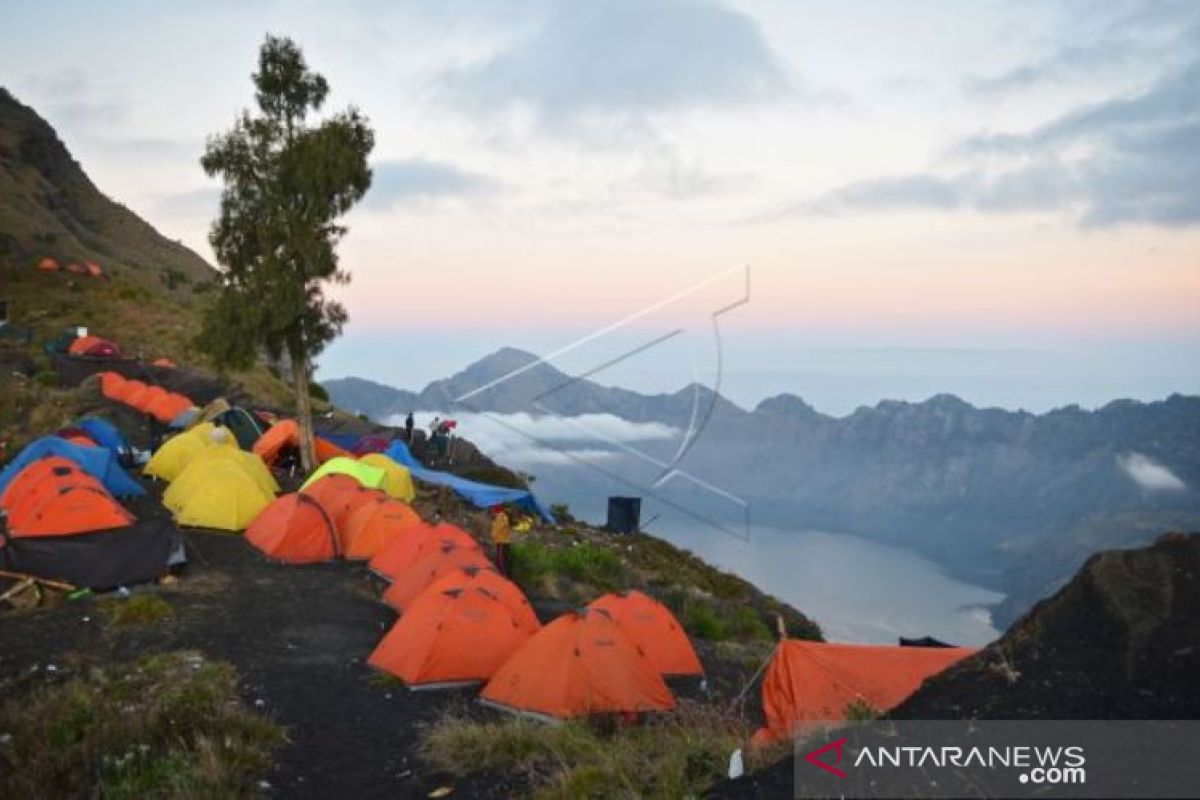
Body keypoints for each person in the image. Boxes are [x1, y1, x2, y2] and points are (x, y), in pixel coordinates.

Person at [490, 505, 512, 577]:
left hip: (502, 541)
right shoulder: (502, 516)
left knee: (501, 561)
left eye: (493, 509)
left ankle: (504, 576)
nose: (492, 511)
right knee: (502, 560)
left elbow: (497, 529)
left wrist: (492, 535)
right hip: (503, 541)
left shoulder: (501, 517)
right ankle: (503, 575)